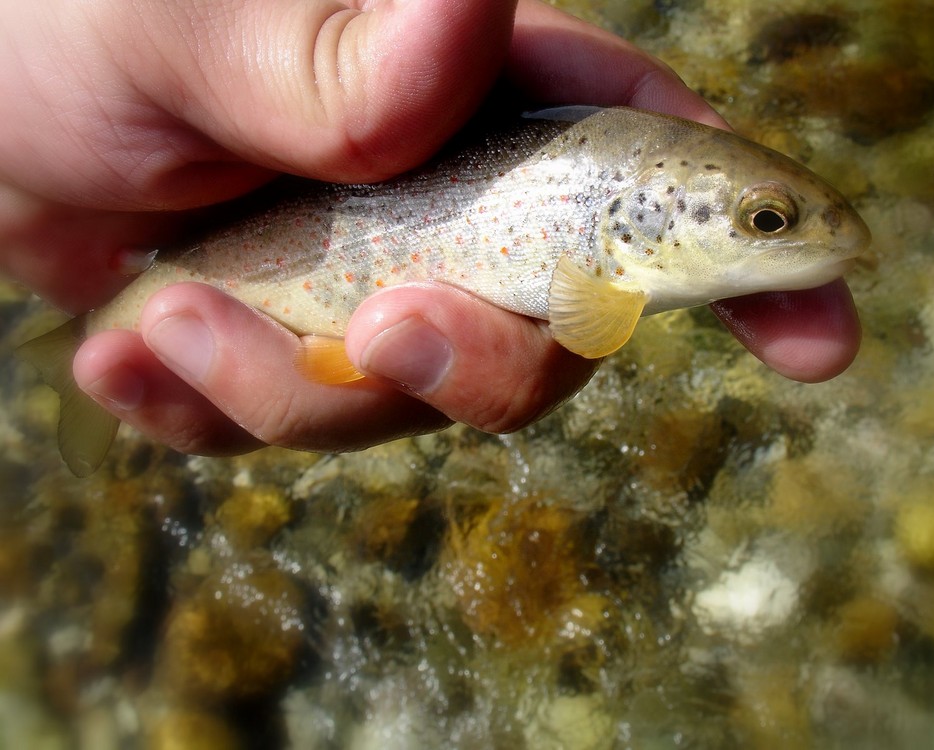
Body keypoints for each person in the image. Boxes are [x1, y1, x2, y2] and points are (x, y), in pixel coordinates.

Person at [0, 0, 860, 459]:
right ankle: (84, 342)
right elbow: (589, 321)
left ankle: (83, 342)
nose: (788, 236)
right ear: (640, 218)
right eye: (767, 222)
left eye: (767, 219)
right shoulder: (610, 284)